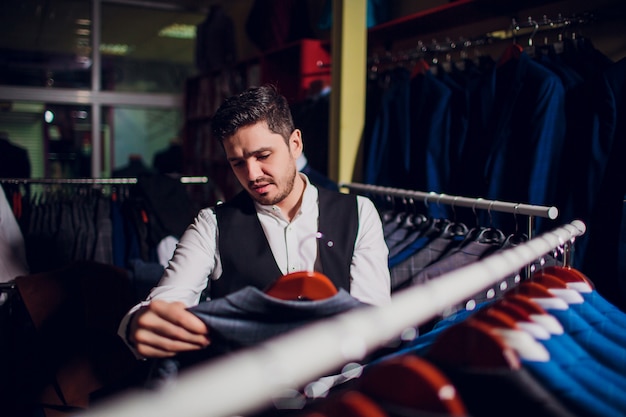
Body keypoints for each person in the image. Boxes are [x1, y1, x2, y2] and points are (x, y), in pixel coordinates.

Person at [118, 84, 391, 360]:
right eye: (237, 163)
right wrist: (136, 324)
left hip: (339, 388)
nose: (252, 174)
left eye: (263, 156)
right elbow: (168, 296)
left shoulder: (359, 212)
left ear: (295, 144)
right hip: (251, 392)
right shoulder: (211, 225)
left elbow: (374, 317)